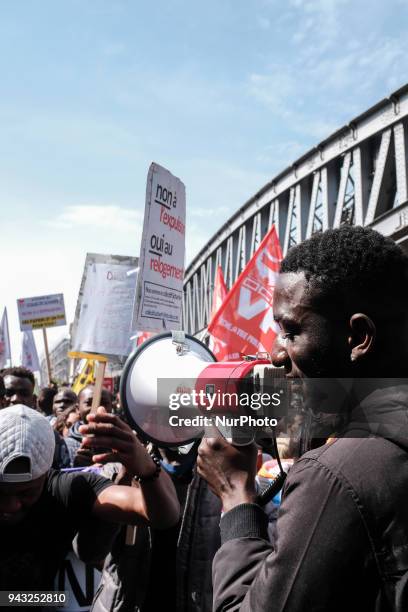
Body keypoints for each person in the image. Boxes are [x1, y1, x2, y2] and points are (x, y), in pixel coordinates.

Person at [197, 225, 408, 611]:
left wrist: (236, 497)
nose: (276, 353)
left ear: (359, 337)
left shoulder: (339, 477)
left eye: (291, 330)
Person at [0, 404, 180, 599]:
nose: (11, 505)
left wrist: (146, 468)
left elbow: (164, 516)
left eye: (26, 493)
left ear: (45, 473)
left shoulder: (67, 489)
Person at [1, 366, 71, 468]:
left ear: (34, 401)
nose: (15, 399)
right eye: (9, 393)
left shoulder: (50, 436)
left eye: (24, 394)